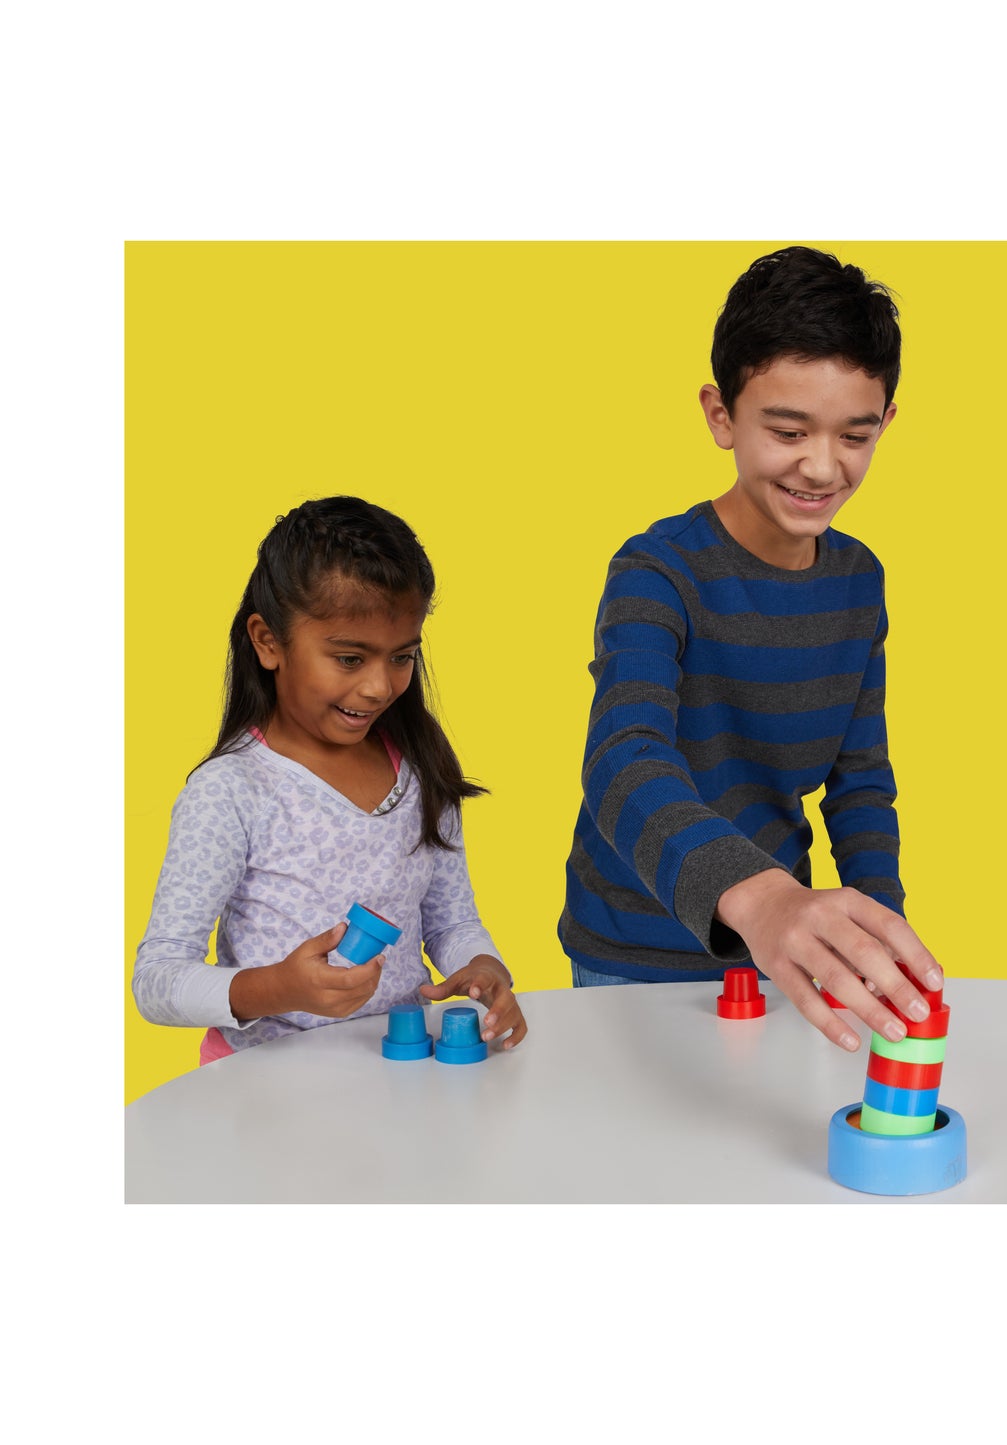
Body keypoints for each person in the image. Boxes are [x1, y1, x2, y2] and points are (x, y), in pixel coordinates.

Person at [558, 245, 941, 1053]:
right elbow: (622, 761)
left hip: (780, 952)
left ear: (885, 424)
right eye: (788, 430)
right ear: (720, 415)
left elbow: (860, 784)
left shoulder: (859, 580)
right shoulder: (656, 571)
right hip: (632, 955)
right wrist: (760, 897)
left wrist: (879, 932)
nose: (822, 466)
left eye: (854, 435)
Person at [132, 496, 527, 1060]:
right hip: (264, 1088)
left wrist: (484, 967)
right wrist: (277, 988)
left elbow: (451, 922)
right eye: (349, 659)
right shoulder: (231, 792)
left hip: (398, 1073)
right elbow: (158, 980)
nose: (379, 687)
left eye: (401, 657)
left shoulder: (420, 771)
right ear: (269, 642)